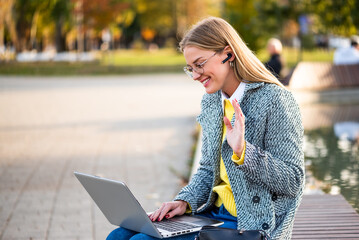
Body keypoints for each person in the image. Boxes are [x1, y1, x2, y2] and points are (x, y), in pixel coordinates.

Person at [107, 17, 304, 240]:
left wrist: (244, 152)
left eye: (199, 64)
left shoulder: (276, 100)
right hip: (215, 216)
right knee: (119, 235)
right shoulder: (212, 102)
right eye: (190, 68)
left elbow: (294, 181)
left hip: (252, 224)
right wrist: (184, 201)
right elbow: (209, 170)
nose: (195, 76)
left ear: (228, 54)